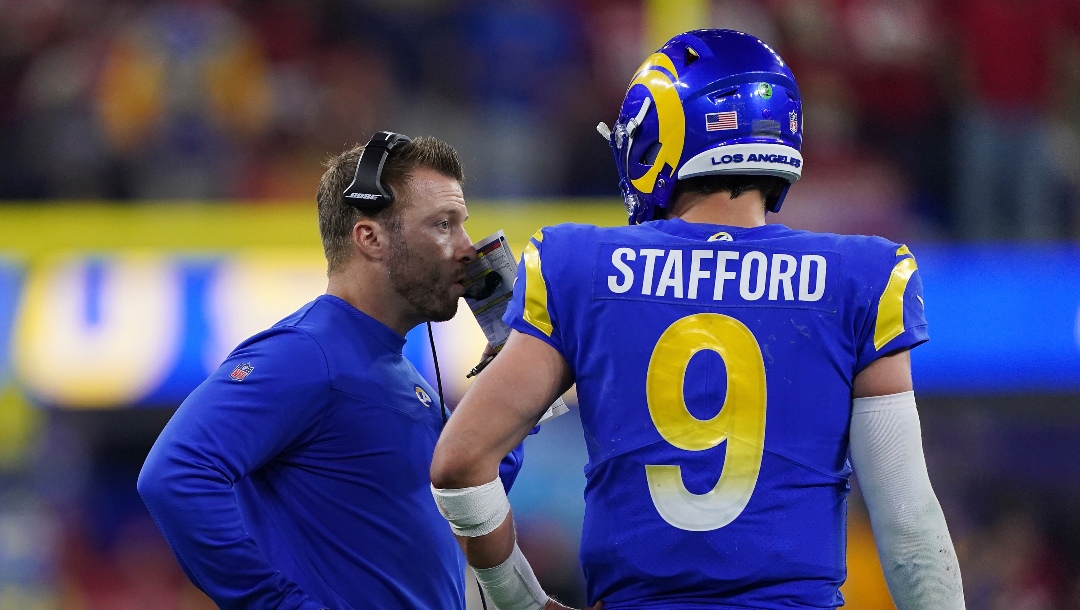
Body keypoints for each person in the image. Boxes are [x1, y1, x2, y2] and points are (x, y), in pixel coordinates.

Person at [430, 29, 966, 610]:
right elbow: (908, 521)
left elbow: (461, 462)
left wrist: (520, 602)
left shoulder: (579, 265)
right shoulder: (860, 276)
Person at [138, 132, 524, 609]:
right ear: (370, 238)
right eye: (444, 225)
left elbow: (465, 501)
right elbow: (175, 473)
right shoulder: (305, 353)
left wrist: (512, 375)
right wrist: (275, 604)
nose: (467, 248)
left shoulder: (399, 373)